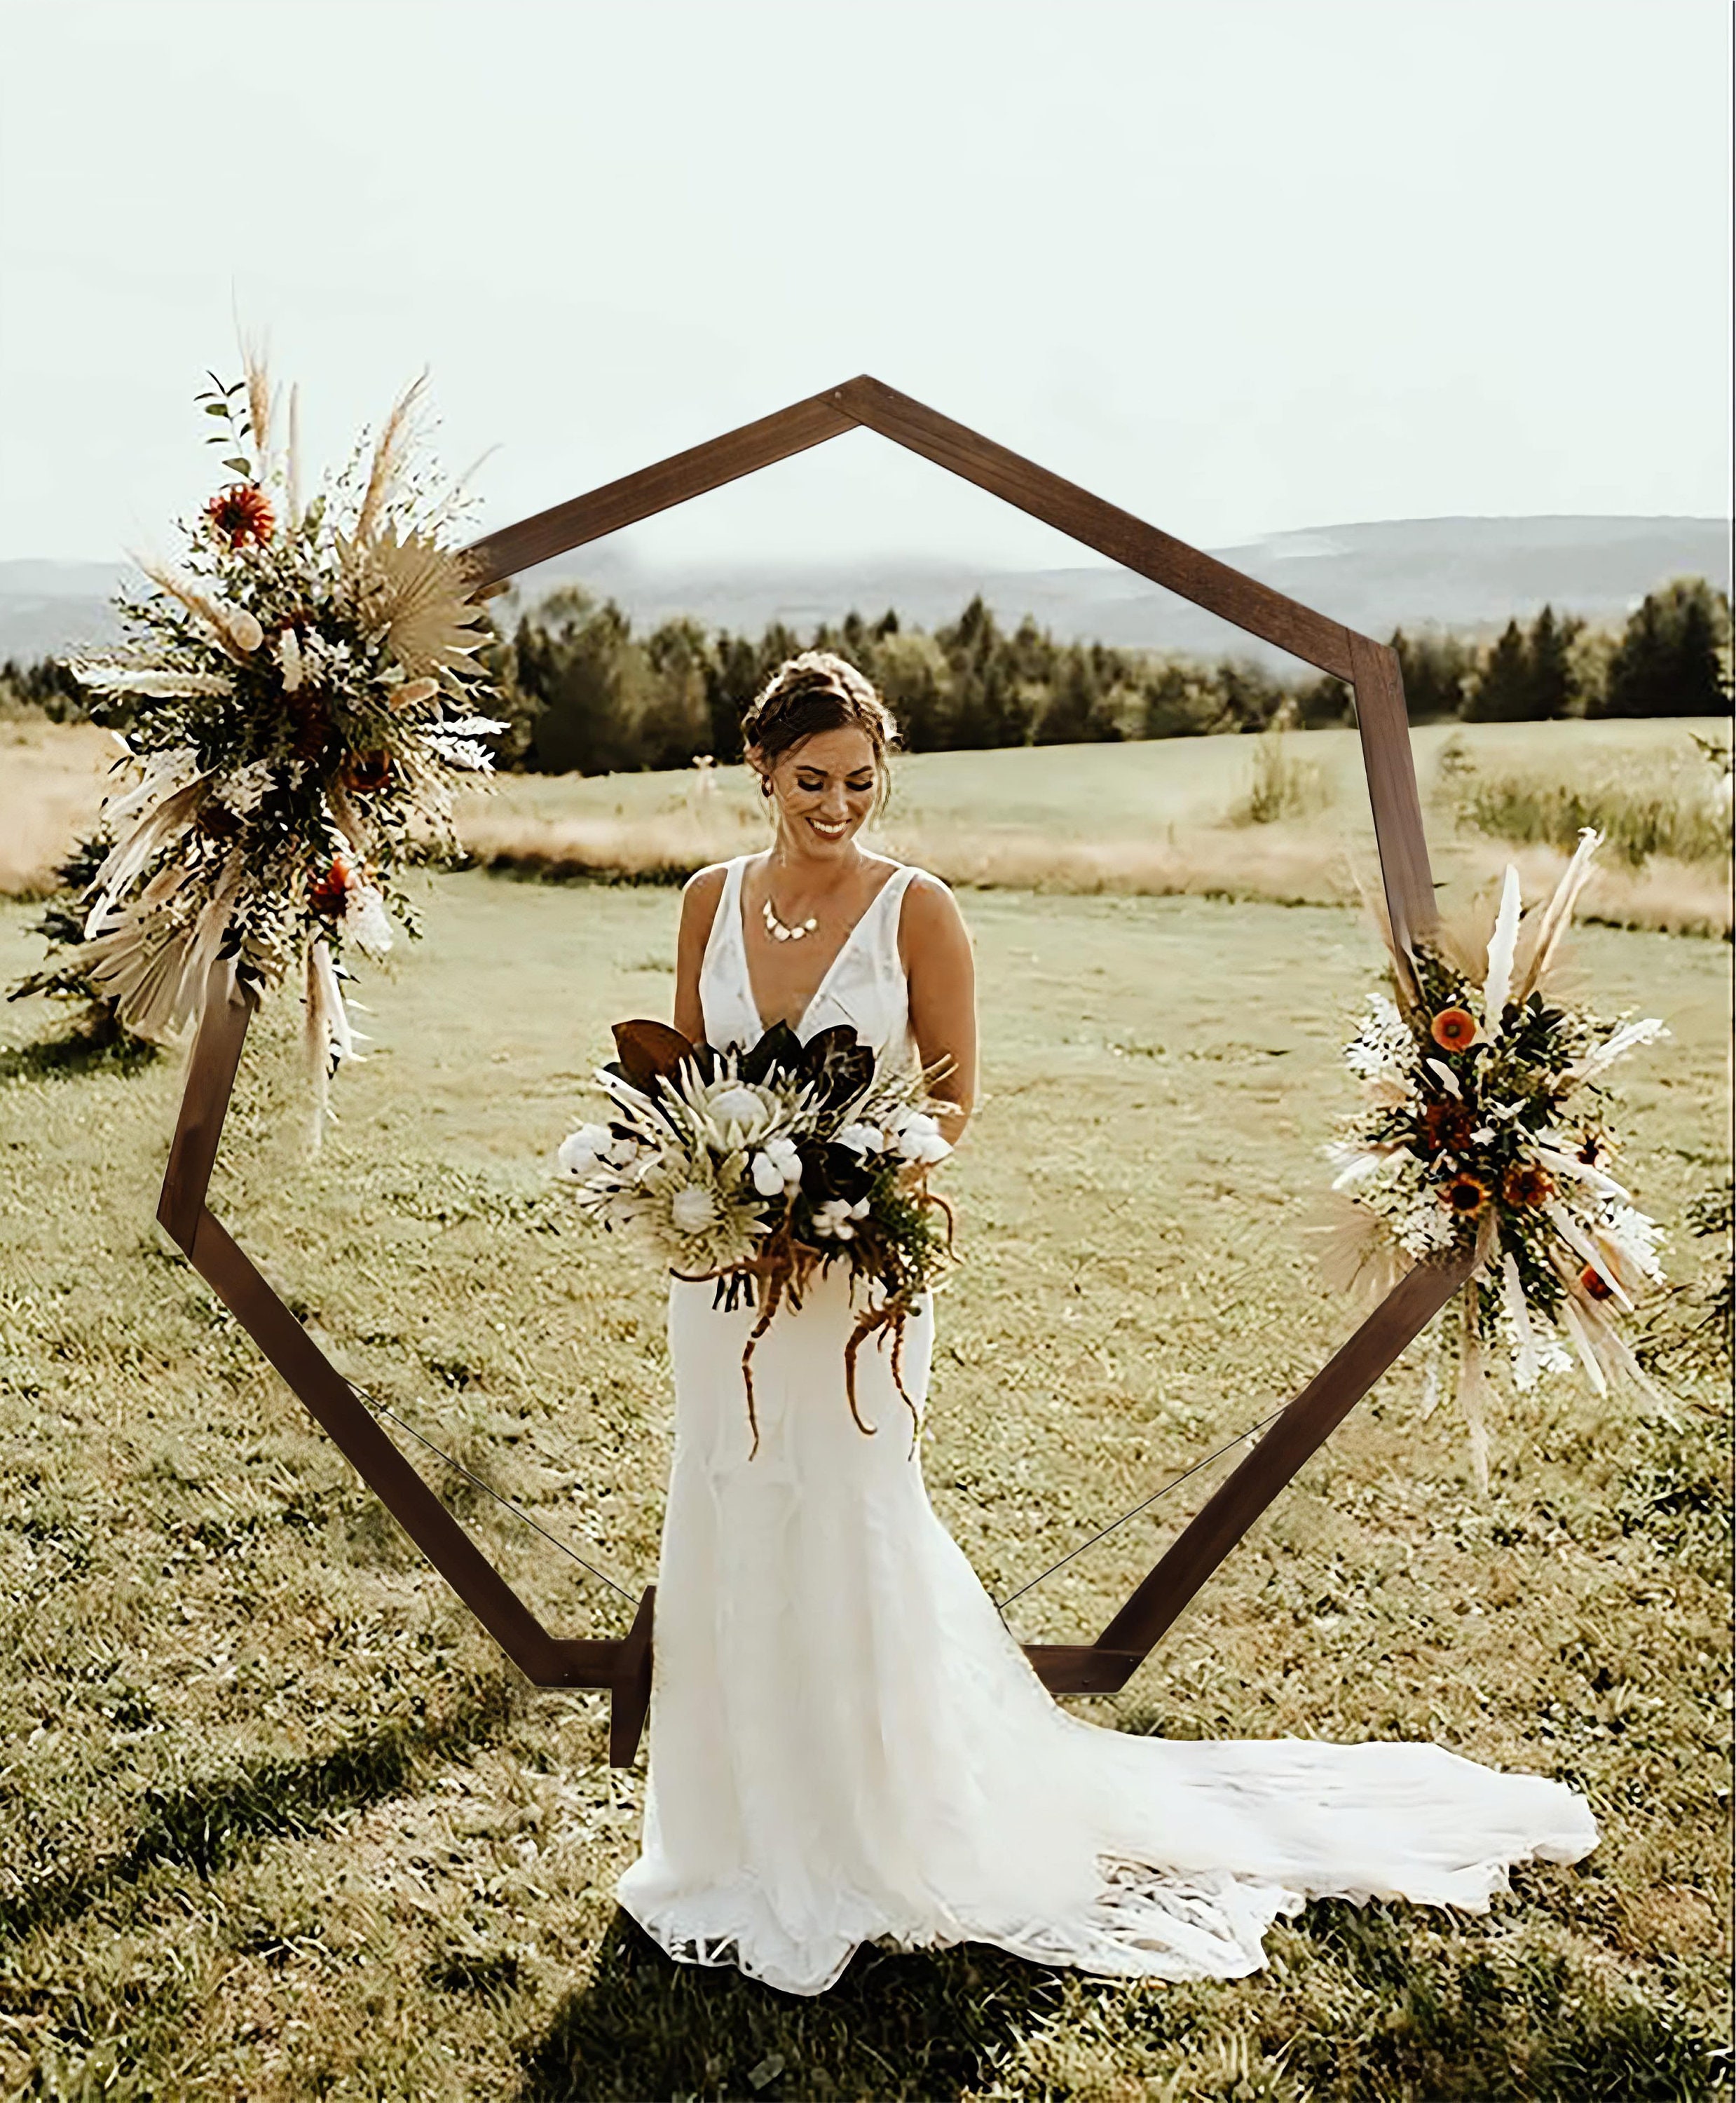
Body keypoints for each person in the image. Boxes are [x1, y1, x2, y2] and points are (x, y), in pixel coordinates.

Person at [613, 650, 1598, 1999]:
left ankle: (872, 1825)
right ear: (758, 771)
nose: (836, 804)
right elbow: (684, 1078)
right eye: (809, 782)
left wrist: (848, 1174)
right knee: (730, 1498)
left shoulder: (918, 909)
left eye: (858, 780)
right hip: (722, 1282)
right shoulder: (706, 902)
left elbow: (953, 1101)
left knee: (846, 1506)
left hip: (859, 1279)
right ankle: (734, 1825)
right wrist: (710, 1182)